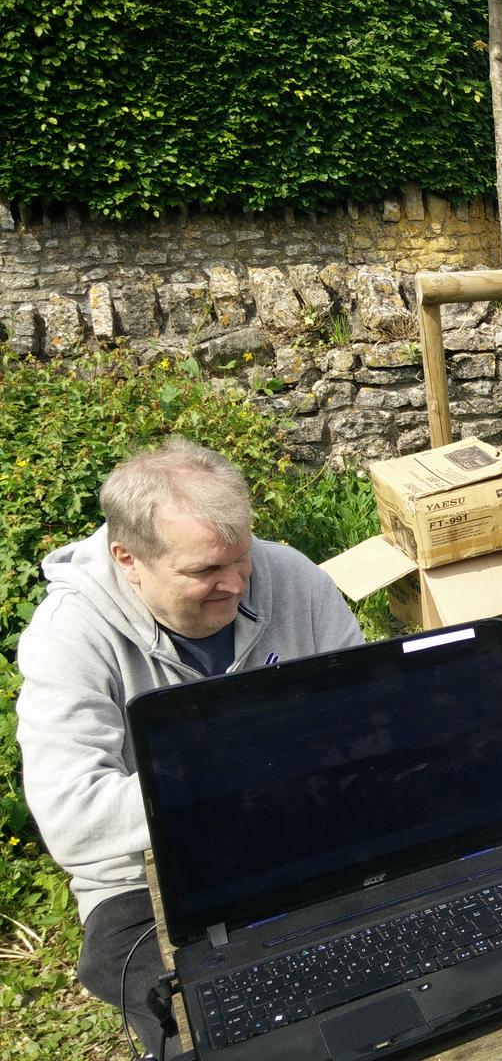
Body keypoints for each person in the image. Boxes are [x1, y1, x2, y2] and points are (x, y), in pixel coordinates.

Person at [16, 437, 363, 1058]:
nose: (234, 585)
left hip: (308, 833)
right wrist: (241, 779)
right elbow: (75, 819)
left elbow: (365, 711)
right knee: (226, 1032)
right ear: (128, 559)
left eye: (241, 558)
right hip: (147, 883)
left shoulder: (295, 579)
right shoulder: (68, 634)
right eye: (204, 571)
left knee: (420, 969)